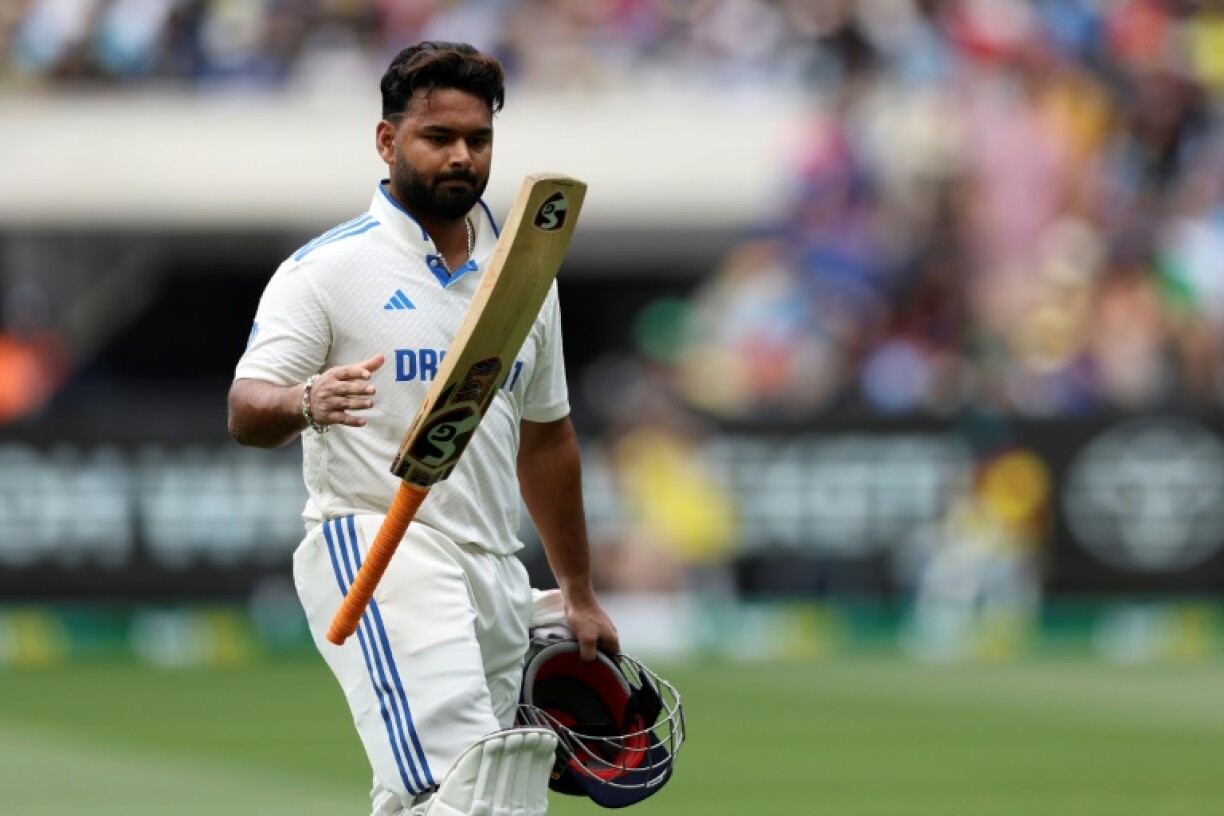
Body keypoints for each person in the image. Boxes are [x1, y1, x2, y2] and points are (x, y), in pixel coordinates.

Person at [226, 41, 620, 816]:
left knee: (429, 800)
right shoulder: (327, 270)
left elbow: (547, 440)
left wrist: (577, 591)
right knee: (479, 785)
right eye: (438, 137)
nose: (462, 157)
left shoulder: (525, 278)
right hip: (379, 547)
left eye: (478, 139)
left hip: (495, 572)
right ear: (387, 140)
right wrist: (305, 400)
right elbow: (245, 409)